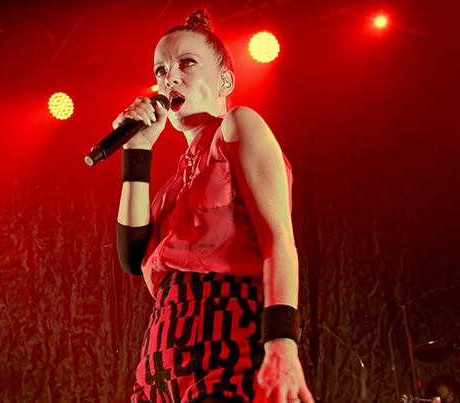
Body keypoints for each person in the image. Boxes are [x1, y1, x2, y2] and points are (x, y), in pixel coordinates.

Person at [114, 9, 314, 403]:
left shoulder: (238, 126)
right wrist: (137, 150)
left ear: (225, 80)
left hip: (226, 337)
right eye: (160, 70)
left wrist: (282, 343)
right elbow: (130, 258)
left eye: (186, 63)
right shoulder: (172, 188)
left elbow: (278, 240)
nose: (169, 77)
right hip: (161, 357)